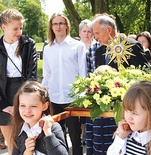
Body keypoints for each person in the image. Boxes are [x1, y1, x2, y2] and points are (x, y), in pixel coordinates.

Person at [86, 13, 151, 155]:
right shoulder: (98, 52)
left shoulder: (132, 46)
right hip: (103, 111)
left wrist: (120, 76)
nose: (95, 37)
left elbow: (147, 74)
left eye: (97, 33)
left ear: (108, 30)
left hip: (128, 110)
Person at [42, 12, 87, 155]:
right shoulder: (48, 48)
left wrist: (82, 95)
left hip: (72, 98)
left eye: (61, 23)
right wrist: (43, 95)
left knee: (75, 137)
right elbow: (47, 74)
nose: (58, 26)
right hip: (54, 97)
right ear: (51, 27)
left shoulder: (78, 46)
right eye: (55, 24)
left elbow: (83, 74)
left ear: (66, 25)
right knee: (58, 136)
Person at [0, 8, 37, 154]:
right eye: (15, 28)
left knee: (29, 141)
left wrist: (22, 103)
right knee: (12, 144)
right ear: (4, 27)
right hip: (2, 96)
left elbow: (32, 74)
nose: (19, 32)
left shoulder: (29, 44)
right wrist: (3, 105)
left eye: (21, 28)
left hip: (25, 94)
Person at [107, 81, 151, 155]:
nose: (128, 118)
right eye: (126, 110)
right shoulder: (124, 135)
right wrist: (121, 137)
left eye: (135, 113)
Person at [10, 81, 68, 155]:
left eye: (33, 106)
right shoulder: (19, 130)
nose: (27, 111)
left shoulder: (53, 128)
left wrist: (48, 133)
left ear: (44, 106)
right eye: (22, 106)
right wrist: (26, 152)